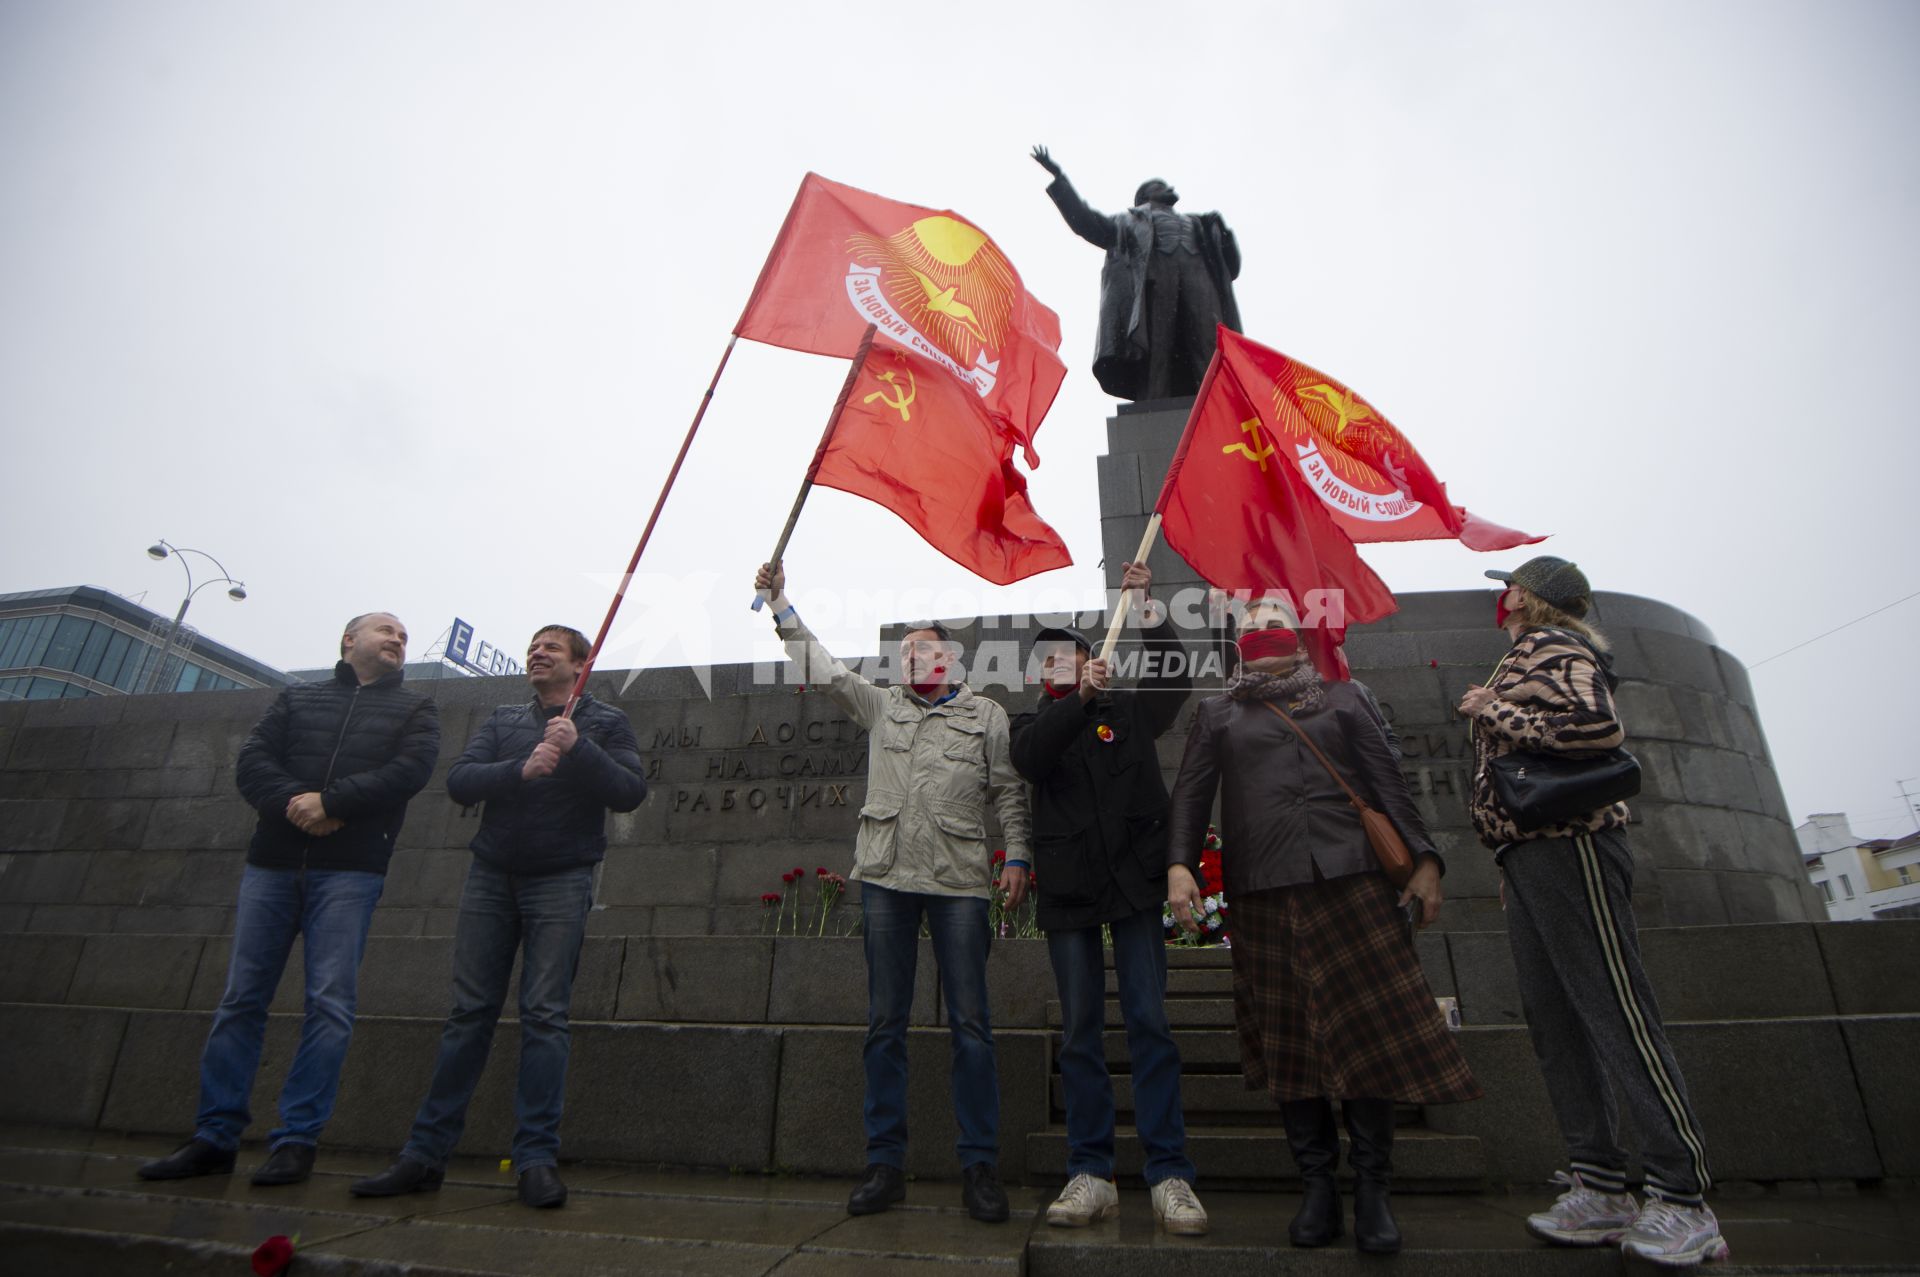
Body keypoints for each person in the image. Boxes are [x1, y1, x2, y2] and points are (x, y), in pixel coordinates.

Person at [1166, 598, 1478, 1254]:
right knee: (1291, 1042)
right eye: (1248, 623)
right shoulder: (1219, 709)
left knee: (1369, 1035)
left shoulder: (1344, 695)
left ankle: (1372, 1187)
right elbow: (1191, 795)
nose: (1260, 628)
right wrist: (1179, 867)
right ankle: (1317, 1186)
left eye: (1273, 615)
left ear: (1300, 627)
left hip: (1355, 879)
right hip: (1263, 890)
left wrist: (1425, 861)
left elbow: (1386, 781)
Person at [1460, 557, 1724, 1267]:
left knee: (1615, 1012)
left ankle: (1682, 1196)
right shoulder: (1523, 651)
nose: (1503, 593)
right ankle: (1602, 1185)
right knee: (1555, 1023)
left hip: (1574, 845)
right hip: (1531, 857)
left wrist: (1495, 709)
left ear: (1536, 597)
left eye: (1511, 584)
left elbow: (1596, 730)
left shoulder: (1559, 648)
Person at [754, 561, 1031, 1223]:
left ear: (951, 655)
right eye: (903, 649)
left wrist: (1017, 852)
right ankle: (885, 1163)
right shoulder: (881, 704)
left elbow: (1009, 791)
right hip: (885, 879)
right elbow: (823, 668)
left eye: (923, 646)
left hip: (961, 883)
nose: (910, 655)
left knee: (971, 1026)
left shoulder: (985, 713)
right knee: (885, 1025)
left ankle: (980, 1166)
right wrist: (781, 604)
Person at [138, 613, 439, 1187]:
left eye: (403, 635)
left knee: (329, 1005)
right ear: (350, 640)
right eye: (386, 630)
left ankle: (297, 1141)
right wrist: (295, 804)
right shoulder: (297, 699)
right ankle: (214, 1137)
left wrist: (332, 803)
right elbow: (253, 763)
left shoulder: (416, 709)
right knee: (240, 1001)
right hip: (271, 865)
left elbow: (409, 771)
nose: (398, 639)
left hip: (351, 869)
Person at [351, 625, 646, 1210]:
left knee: (544, 1014)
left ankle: (535, 1158)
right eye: (533, 648)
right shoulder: (503, 719)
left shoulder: (605, 722)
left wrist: (577, 747)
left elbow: (630, 791)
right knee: (468, 1014)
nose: (537, 655)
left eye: (551, 649)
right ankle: (425, 1154)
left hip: (562, 877)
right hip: (492, 876)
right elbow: (461, 781)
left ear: (581, 663)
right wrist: (521, 769)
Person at [1009, 562, 1208, 1235]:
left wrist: (1147, 609)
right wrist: (1074, 703)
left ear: (1094, 659)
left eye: (1072, 653)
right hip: (1069, 895)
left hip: (1134, 887)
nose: (1061, 662)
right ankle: (1090, 1170)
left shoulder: (1128, 708)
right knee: (1082, 1032)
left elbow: (1177, 680)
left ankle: (1169, 1173)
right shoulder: (1032, 723)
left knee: (1150, 1023)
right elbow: (1032, 759)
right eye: (1051, 659)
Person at [1032, 144, 1241, 401]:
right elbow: (1087, 223)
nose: (1169, 188)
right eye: (1160, 185)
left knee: (1207, 344)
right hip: (1155, 283)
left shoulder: (1199, 223)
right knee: (1157, 348)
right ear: (1144, 195)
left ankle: (1217, 404)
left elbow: (1230, 269)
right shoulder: (1129, 221)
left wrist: (1225, 236)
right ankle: (1154, 404)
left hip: (1198, 281)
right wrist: (1059, 180)